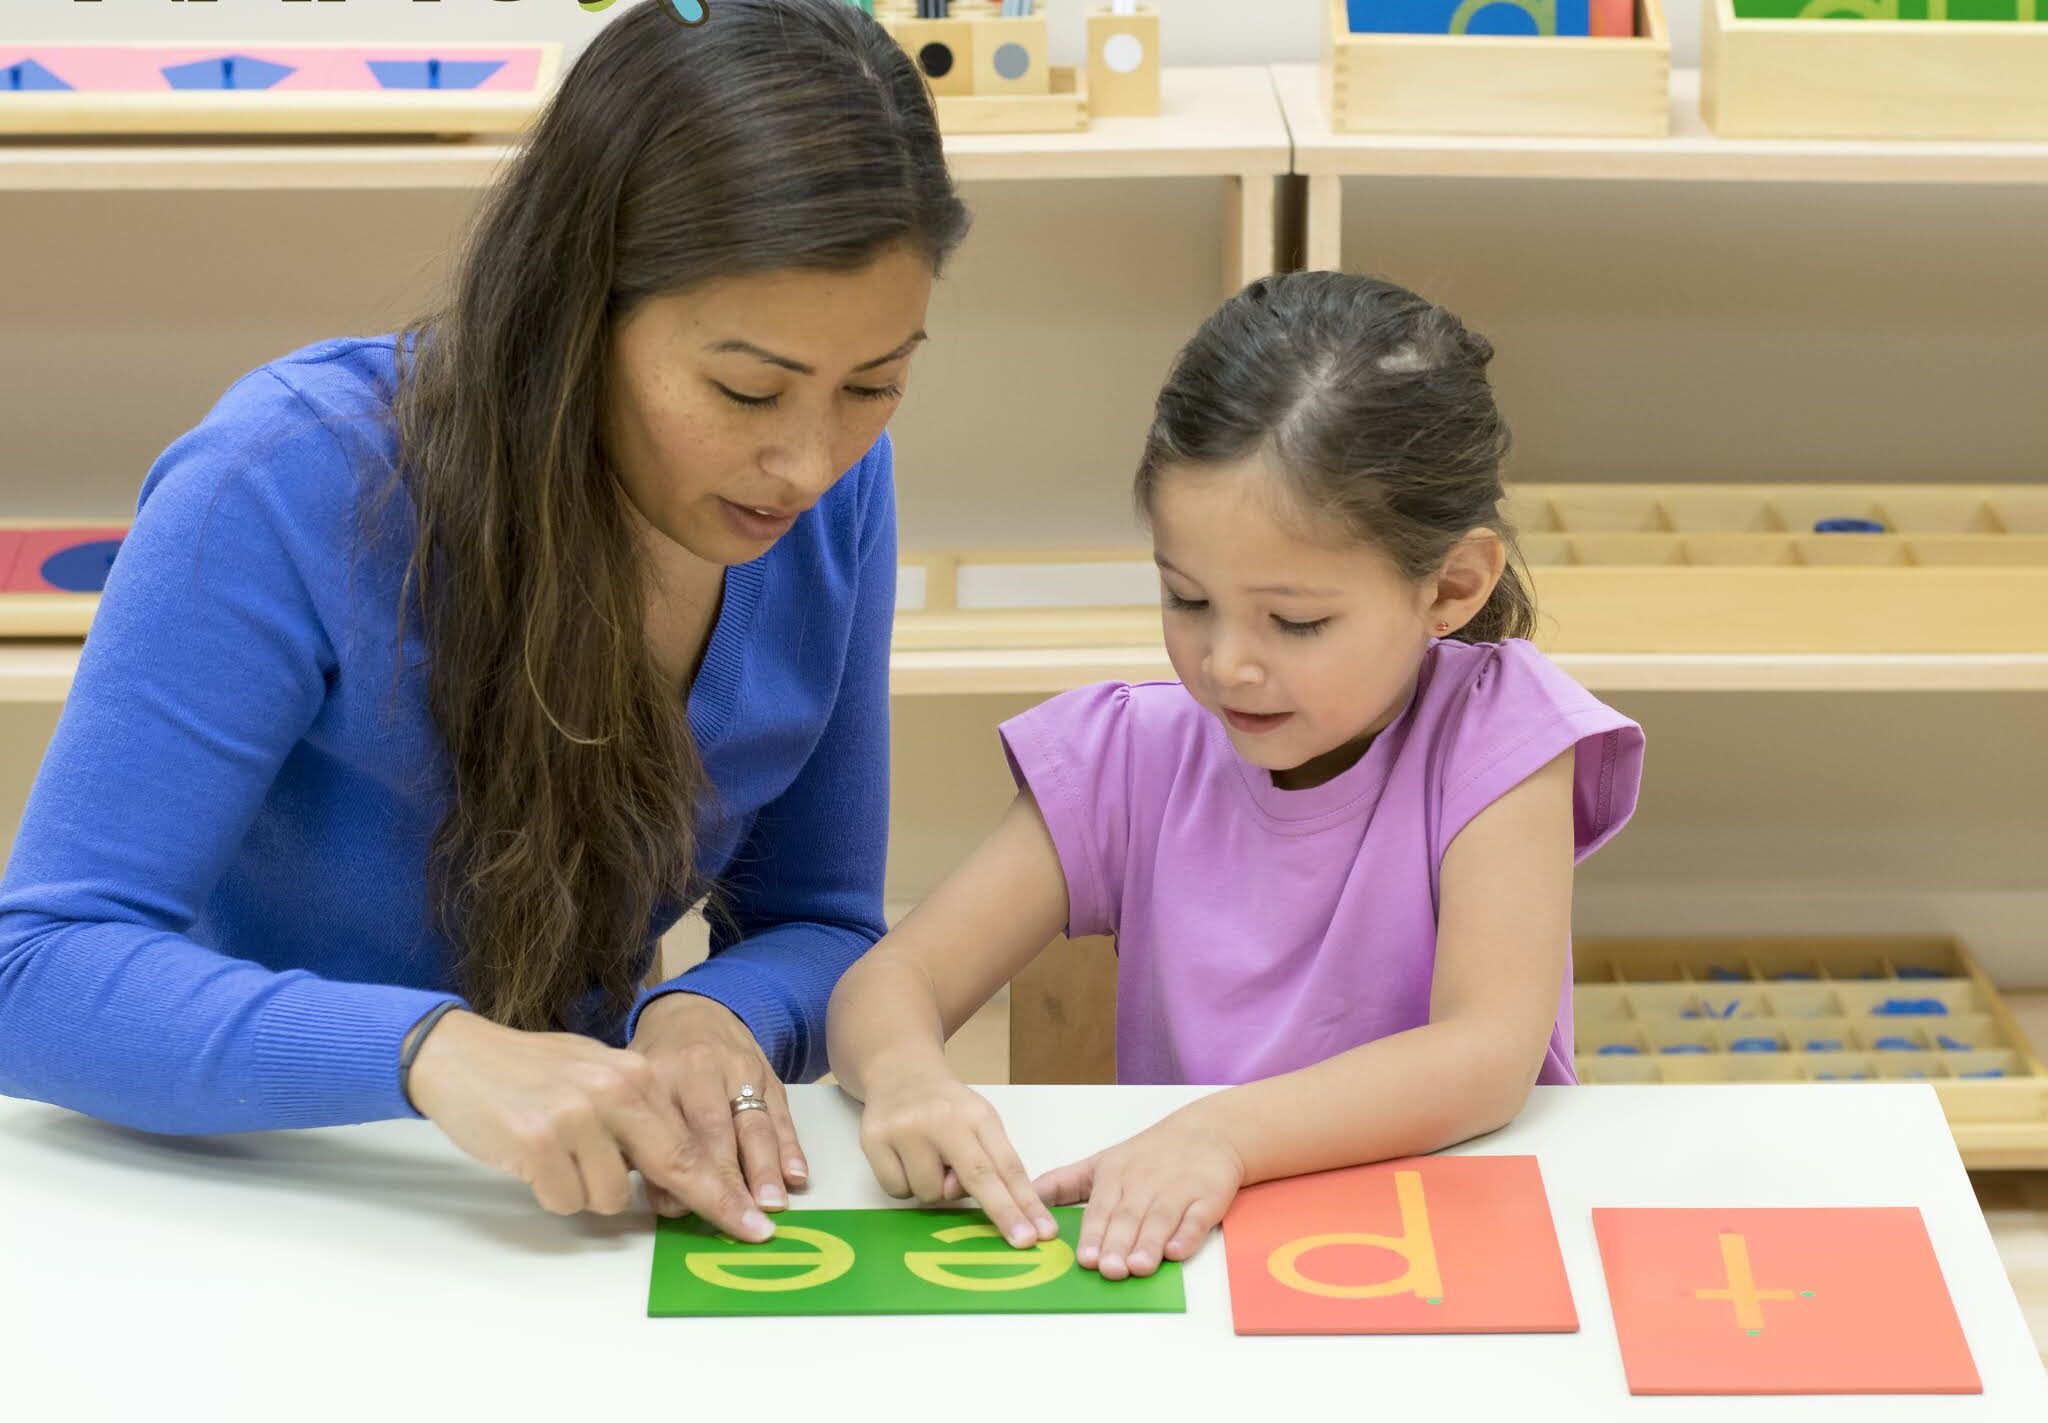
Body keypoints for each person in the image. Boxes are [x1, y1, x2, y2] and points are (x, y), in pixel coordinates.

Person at [0, 0, 969, 1241]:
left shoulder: (835, 498)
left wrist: (708, 1012)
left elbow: (820, 920)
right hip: (226, 1190)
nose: (806, 459)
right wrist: (430, 1052)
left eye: (874, 385)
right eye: (746, 387)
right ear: (579, 312)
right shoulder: (282, 480)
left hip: (541, 1218)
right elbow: (39, 972)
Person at [828, 271, 1646, 1279]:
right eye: (1184, 598)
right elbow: (889, 980)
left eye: (1294, 621)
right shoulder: (1129, 754)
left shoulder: (1498, 736)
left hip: (1445, 1249)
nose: (1226, 664)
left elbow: (1482, 1055)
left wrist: (1221, 1135)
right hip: (1183, 1264)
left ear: (1450, 587)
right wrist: (908, 1075)